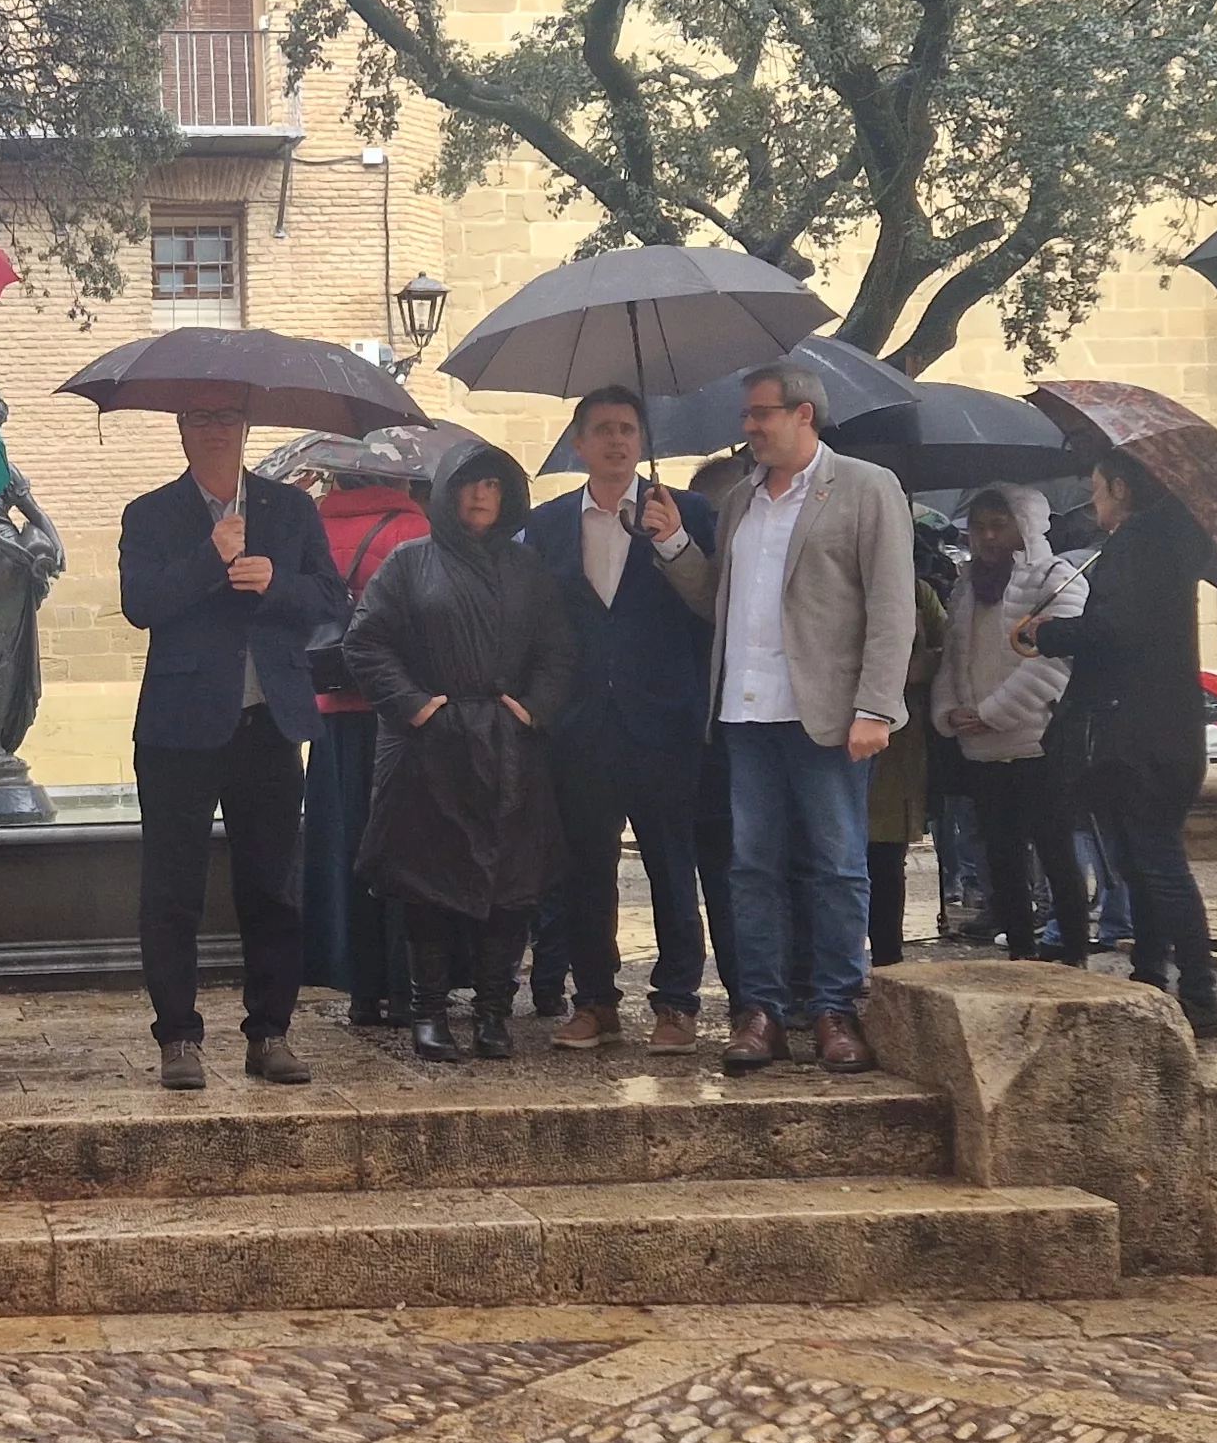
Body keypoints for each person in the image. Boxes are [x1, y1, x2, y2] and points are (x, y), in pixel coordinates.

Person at [122, 404, 347, 1090]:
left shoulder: (291, 509)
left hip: (269, 723)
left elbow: (330, 598)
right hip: (178, 727)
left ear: (247, 427)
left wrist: (277, 584)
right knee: (172, 889)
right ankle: (178, 1040)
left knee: (272, 887)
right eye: (199, 418)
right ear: (181, 429)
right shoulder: (151, 513)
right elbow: (142, 603)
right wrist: (210, 557)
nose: (214, 429)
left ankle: (270, 1032)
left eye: (226, 417)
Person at [704, 364, 915, 1077]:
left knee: (836, 865)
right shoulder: (739, 502)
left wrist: (876, 706)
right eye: (747, 416)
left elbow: (893, 606)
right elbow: (720, 602)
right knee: (752, 866)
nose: (750, 427)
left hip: (829, 713)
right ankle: (760, 1010)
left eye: (760, 414)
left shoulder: (864, 486)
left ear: (803, 414)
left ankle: (834, 1008)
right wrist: (674, 546)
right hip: (746, 709)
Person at [346, 441, 577, 1064]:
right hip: (429, 748)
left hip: (508, 746)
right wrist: (418, 706)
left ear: (508, 497)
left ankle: (495, 1012)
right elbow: (366, 644)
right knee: (426, 883)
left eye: (493, 485)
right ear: (447, 493)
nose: (480, 495)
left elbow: (559, 651)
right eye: (468, 484)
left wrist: (533, 710)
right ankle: (428, 1013)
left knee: (511, 883)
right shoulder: (408, 563)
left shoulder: (529, 571)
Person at [521, 390, 722, 1055]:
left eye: (627, 430)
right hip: (579, 726)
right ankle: (595, 1001)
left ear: (642, 441)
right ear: (578, 444)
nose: (615, 441)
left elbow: (711, 610)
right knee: (585, 874)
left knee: (671, 866)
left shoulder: (686, 512)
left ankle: (676, 1003)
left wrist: (674, 542)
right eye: (601, 430)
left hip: (662, 721)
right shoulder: (548, 524)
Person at [1022, 455, 1217, 1039]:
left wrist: (1050, 634)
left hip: (1138, 734)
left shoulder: (1144, 547)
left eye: (1097, 490)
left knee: (1157, 862)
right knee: (1139, 863)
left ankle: (1198, 990)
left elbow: (1119, 631)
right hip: (1153, 730)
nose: (1095, 505)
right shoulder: (1154, 546)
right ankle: (1150, 976)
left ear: (1121, 488)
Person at [933, 484, 1095, 964]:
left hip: (1038, 743)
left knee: (1055, 850)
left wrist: (991, 713)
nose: (986, 536)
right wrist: (952, 712)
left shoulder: (1056, 580)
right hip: (981, 748)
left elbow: (1052, 664)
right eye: (978, 526)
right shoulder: (966, 587)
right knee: (1000, 855)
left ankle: (1072, 956)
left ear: (1021, 527)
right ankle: (1020, 955)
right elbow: (954, 657)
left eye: (997, 525)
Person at [308, 461, 430, 1025]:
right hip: (398, 713)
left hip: (332, 712)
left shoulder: (313, 527)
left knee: (344, 844)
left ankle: (359, 987)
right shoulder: (414, 531)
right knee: (404, 845)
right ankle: (405, 981)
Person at [863, 580, 950, 967]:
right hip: (830, 729)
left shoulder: (915, 591)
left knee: (885, 859)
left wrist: (916, 667)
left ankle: (887, 962)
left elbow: (950, 648)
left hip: (896, 742)